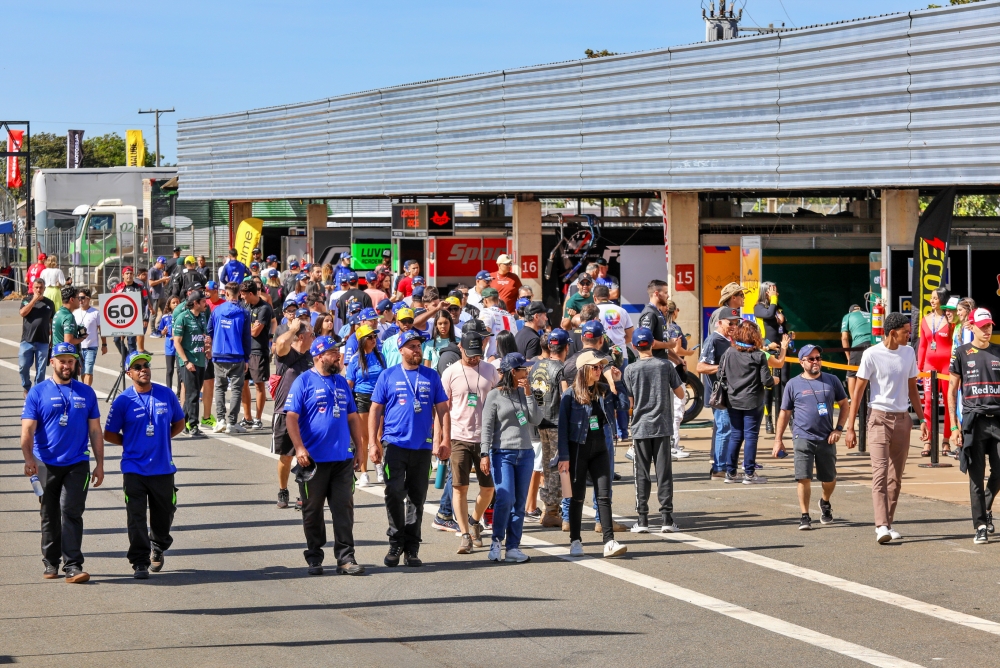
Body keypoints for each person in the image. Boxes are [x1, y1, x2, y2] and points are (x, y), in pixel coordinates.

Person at [20, 342, 104, 583]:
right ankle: (50, 560)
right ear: (52, 362)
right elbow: (27, 430)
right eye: (62, 361)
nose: (67, 365)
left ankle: (73, 565)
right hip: (45, 463)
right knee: (49, 513)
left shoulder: (86, 392)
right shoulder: (38, 392)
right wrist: (29, 459)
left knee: (71, 511)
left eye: (71, 361)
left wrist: (100, 464)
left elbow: (95, 430)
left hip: (77, 462)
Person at [284, 335, 366, 575]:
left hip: (342, 459)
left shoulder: (341, 382)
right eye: (333, 353)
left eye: (338, 352)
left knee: (344, 509)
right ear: (320, 356)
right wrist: (299, 448)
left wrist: (360, 448)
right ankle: (314, 556)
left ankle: (346, 558)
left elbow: (353, 417)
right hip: (313, 461)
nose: (338, 356)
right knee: (312, 511)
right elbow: (291, 417)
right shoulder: (303, 381)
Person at [369, 329, 451, 567]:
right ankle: (396, 542)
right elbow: (375, 409)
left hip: (422, 447)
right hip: (394, 445)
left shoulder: (431, 376)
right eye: (412, 346)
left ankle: (412, 549)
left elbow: (443, 409)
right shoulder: (388, 375)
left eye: (418, 346)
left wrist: (444, 440)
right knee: (394, 493)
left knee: (417, 498)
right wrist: (373, 442)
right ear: (401, 350)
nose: (417, 350)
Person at [844, 312, 926, 544]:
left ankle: (888, 524)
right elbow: (858, 392)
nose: (909, 336)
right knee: (879, 474)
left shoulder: (908, 353)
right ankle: (880, 525)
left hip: (902, 420)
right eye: (905, 332)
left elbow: (912, 388)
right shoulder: (871, 354)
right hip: (878, 419)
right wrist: (851, 427)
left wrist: (922, 420)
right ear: (892, 333)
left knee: (895, 478)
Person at [103, 350, 186, 579]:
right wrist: (130, 443)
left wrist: (163, 438)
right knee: (136, 517)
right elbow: (109, 433)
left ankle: (158, 546)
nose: (143, 370)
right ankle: (139, 561)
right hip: (134, 469)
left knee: (164, 513)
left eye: (146, 366)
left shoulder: (166, 394)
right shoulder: (123, 401)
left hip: (162, 468)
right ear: (129, 373)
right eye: (137, 367)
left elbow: (179, 423)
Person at [558, 350, 628, 558]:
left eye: (601, 367)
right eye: (596, 367)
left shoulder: (603, 391)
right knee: (576, 497)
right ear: (584, 370)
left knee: (604, 496)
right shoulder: (570, 395)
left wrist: (618, 382)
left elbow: (624, 405)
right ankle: (575, 541)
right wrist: (564, 457)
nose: (600, 370)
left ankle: (609, 541)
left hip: (600, 449)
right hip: (577, 451)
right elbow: (562, 429)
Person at [773, 344, 850, 530]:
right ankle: (805, 515)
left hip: (826, 437)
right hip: (802, 436)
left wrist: (839, 429)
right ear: (802, 362)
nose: (816, 362)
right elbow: (784, 413)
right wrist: (778, 440)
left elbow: (844, 404)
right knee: (803, 477)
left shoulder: (832, 380)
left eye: (818, 358)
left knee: (829, 478)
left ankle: (825, 501)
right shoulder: (793, 384)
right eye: (811, 359)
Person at [479, 352, 541, 563]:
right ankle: (496, 541)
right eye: (524, 369)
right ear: (513, 372)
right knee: (505, 498)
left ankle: (513, 546)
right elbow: (487, 427)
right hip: (501, 453)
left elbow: (536, 419)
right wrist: (484, 453)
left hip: (525, 453)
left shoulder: (525, 392)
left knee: (520, 503)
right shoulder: (494, 395)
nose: (527, 372)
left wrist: (529, 393)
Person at [441, 331, 500, 553]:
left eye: (478, 354)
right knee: (460, 487)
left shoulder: (490, 370)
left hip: (486, 437)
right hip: (459, 436)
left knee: (489, 488)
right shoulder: (451, 373)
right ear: (460, 348)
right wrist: (442, 437)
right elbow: (443, 407)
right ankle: (465, 535)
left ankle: (474, 521)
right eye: (470, 354)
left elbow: (499, 397)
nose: (474, 358)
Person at [624, 327, 685, 533]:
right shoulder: (665, 365)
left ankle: (642, 519)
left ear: (634, 347)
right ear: (652, 344)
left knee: (641, 474)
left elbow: (630, 403)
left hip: (641, 426)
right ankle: (667, 518)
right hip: (662, 426)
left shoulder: (630, 370)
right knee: (664, 473)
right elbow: (680, 394)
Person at [948, 308, 1000, 544]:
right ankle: (979, 526)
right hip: (973, 421)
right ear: (971, 326)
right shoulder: (961, 353)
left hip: (997, 420)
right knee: (975, 477)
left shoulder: (998, 351)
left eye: (989, 325)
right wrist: (954, 426)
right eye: (982, 326)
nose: (987, 330)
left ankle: (985, 507)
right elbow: (951, 390)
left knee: (999, 472)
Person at [718, 319, 774, 484]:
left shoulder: (729, 352)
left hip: (733, 399)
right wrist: (774, 380)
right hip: (752, 400)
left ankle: (730, 472)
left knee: (736, 435)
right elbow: (767, 380)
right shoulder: (758, 355)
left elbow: (720, 374)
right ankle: (749, 473)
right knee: (751, 436)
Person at [270, 318, 315, 509]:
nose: (314, 337)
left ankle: (303, 493)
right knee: (286, 456)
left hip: (307, 413)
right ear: (301, 336)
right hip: (285, 412)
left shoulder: (310, 356)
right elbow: (280, 342)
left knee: (306, 454)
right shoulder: (287, 353)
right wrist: (294, 328)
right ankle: (283, 489)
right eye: (312, 334)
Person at [529, 328, 570, 529]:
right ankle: (554, 510)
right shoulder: (561, 369)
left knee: (547, 466)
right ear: (566, 347)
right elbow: (565, 396)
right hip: (556, 422)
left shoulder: (536, 366)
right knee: (559, 468)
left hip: (540, 421)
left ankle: (548, 508)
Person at [697, 307, 740, 478]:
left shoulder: (731, 340)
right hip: (720, 394)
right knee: (724, 428)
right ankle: (719, 468)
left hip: (732, 393)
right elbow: (701, 367)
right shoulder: (713, 340)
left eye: (736, 323)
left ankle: (726, 466)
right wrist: (723, 367)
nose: (734, 326)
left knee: (731, 429)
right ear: (720, 322)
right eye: (731, 323)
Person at [345, 324, 387, 488]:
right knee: (364, 437)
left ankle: (378, 465)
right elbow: (349, 383)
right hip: (361, 398)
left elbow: (385, 378)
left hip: (379, 398)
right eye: (370, 337)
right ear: (362, 340)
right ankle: (363, 472)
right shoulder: (355, 359)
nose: (373, 339)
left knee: (378, 435)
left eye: (375, 336)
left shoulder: (380, 356)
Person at [208, 282, 251, 434]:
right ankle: (232, 422)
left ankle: (221, 420)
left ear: (226, 293)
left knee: (220, 387)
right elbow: (247, 338)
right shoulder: (244, 312)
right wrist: (247, 358)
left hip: (219, 353)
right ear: (239, 293)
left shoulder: (217, 310)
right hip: (237, 354)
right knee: (236, 389)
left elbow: (209, 330)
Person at [917, 287, 955, 456]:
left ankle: (946, 440)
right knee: (928, 402)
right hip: (929, 366)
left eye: (935, 298)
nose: (931, 301)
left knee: (949, 402)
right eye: (931, 298)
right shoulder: (925, 319)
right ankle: (928, 440)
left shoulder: (951, 320)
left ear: (942, 299)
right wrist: (919, 368)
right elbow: (922, 346)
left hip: (947, 366)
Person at [754, 282, 792, 435]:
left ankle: (786, 416)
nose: (776, 293)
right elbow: (769, 314)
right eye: (773, 290)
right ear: (766, 292)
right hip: (768, 350)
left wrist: (789, 333)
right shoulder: (759, 307)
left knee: (785, 383)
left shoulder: (777, 307)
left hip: (782, 350)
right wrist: (774, 300)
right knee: (769, 385)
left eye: (776, 290)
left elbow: (783, 327)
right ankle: (768, 417)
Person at [172, 290, 210, 437]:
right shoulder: (183, 318)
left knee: (192, 394)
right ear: (195, 303)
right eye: (203, 301)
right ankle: (193, 426)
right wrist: (186, 361)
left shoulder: (202, 317)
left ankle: (180, 422)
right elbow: (177, 342)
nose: (206, 304)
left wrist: (208, 346)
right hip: (188, 361)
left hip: (200, 359)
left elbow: (203, 336)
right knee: (193, 394)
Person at [240, 281, 273, 430]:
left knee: (259, 385)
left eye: (244, 295)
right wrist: (249, 326)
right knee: (243, 384)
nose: (242, 297)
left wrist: (245, 327)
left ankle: (258, 419)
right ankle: (247, 417)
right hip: (244, 351)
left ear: (251, 294)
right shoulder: (244, 306)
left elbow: (255, 332)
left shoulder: (264, 308)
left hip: (258, 351)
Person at [19, 278, 55, 396]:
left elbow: (52, 323)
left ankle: (37, 391)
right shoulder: (26, 300)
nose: (39, 290)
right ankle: (27, 387)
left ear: (44, 288)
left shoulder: (49, 303)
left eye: (41, 287)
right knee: (23, 367)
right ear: (32, 288)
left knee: (41, 370)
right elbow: (22, 313)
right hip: (27, 341)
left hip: (43, 341)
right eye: (36, 287)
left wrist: (52, 340)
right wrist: (34, 300)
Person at [112, 265, 150, 355]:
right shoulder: (117, 288)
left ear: (133, 275)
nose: (129, 275)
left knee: (131, 342)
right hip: (120, 319)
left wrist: (145, 318)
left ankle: (131, 360)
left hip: (134, 319)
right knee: (117, 340)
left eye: (131, 273)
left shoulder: (140, 287)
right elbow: (112, 303)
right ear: (123, 275)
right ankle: (126, 357)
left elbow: (146, 303)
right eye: (127, 273)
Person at [73, 288, 104, 386]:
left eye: (82, 298)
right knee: (82, 371)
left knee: (88, 370)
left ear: (88, 298)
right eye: (78, 298)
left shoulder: (96, 313)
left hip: (91, 346)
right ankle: (85, 389)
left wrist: (104, 344)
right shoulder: (75, 313)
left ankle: (87, 390)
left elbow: (101, 330)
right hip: (78, 346)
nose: (80, 300)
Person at [841, 304, 872, 399]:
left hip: (859, 345)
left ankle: (855, 403)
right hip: (874, 345)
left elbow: (844, 338)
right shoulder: (871, 314)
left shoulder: (848, 316)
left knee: (851, 374)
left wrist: (848, 358)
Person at [637, 279, 674, 360]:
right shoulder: (650, 313)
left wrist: (678, 359)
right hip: (651, 364)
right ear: (656, 294)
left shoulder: (658, 312)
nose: (668, 296)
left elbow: (662, 345)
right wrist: (669, 344)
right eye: (665, 293)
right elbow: (645, 341)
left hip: (661, 362)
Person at [478, 287, 516, 360]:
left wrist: (479, 354)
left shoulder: (486, 312)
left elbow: (485, 335)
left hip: (493, 358)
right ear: (498, 300)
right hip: (510, 357)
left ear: (485, 300)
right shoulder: (509, 315)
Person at [160, 296, 181, 395]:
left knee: (180, 371)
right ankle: (169, 392)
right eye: (173, 303)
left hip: (180, 346)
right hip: (169, 346)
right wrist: (163, 332)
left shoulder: (182, 315)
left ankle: (180, 392)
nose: (176, 304)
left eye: (177, 302)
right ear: (169, 305)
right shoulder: (165, 317)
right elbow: (161, 331)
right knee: (170, 370)